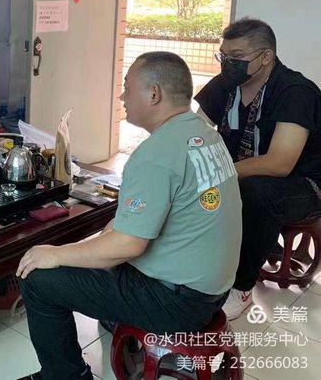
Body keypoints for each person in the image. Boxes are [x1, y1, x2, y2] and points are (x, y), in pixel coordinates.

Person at [16, 52, 241, 380]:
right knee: (100, 255)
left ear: (154, 94)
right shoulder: (205, 134)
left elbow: (129, 245)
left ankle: (63, 376)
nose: (122, 96)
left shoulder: (157, 154)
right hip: (214, 289)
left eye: (127, 87)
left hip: (177, 300)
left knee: (38, 278)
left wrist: (55, 254)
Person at [195, 18, 321, 320]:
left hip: (302, 186)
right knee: (191, 177)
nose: (228, 63)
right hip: (241, 175)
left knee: (256, 190)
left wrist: (221, 173)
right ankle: (198, 267)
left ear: (266, 56)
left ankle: (241, 287)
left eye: (237, 57)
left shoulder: (295, 91)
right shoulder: (226, 84)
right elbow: (193, 131)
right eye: (224, 55)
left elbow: (280, 163)